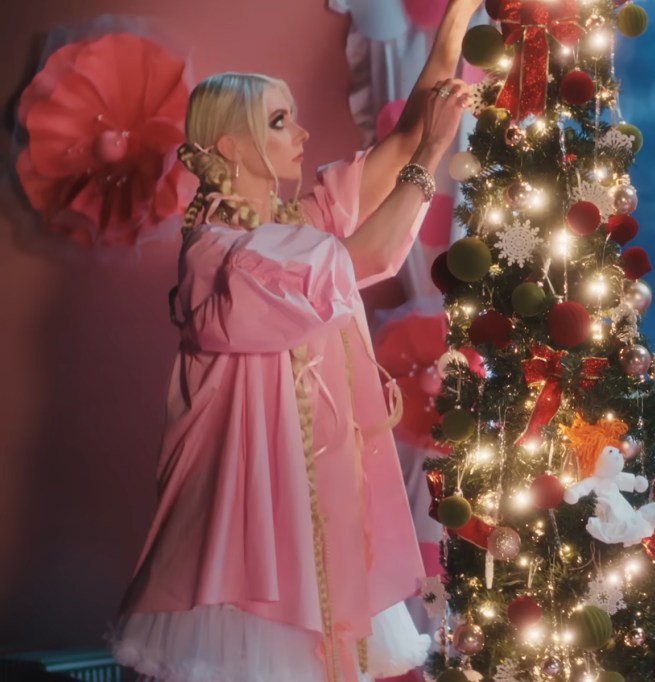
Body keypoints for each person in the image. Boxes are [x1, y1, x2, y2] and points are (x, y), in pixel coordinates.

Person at [110, 2, 481, 680]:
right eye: (280, 121)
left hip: (314, 498)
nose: (302, 132)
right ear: (231, 145)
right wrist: (434, 154)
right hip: (257, 514)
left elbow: (402, 140)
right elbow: (368, 252)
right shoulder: (224, 255)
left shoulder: (295, 225)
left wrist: (455, 20)